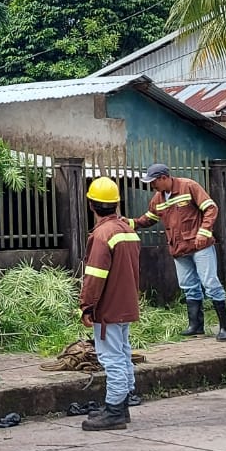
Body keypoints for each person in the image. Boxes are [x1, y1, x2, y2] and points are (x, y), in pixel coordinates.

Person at [133, 162, 226, 341]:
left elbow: (211, 208)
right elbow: (150, 218)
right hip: (178, 249)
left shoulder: (189, 186)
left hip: (200, 246)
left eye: (154, 181)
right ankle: (196, 326)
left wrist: (204, 231)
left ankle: (225, 328)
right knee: (189, 287)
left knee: (210, 284)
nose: (152, 185)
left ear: (164, 177)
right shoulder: (158, 198)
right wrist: (131, 223)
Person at [79, 176, 141, 432]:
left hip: (109, 309)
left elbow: (95, 276)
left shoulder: (102, 234)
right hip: (126, 304)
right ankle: (122, 405)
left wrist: (87, 306)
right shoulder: (128, 230)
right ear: (116, 203)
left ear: (92, 205)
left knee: (111, 358)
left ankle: (114, 411)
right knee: (123, 354)